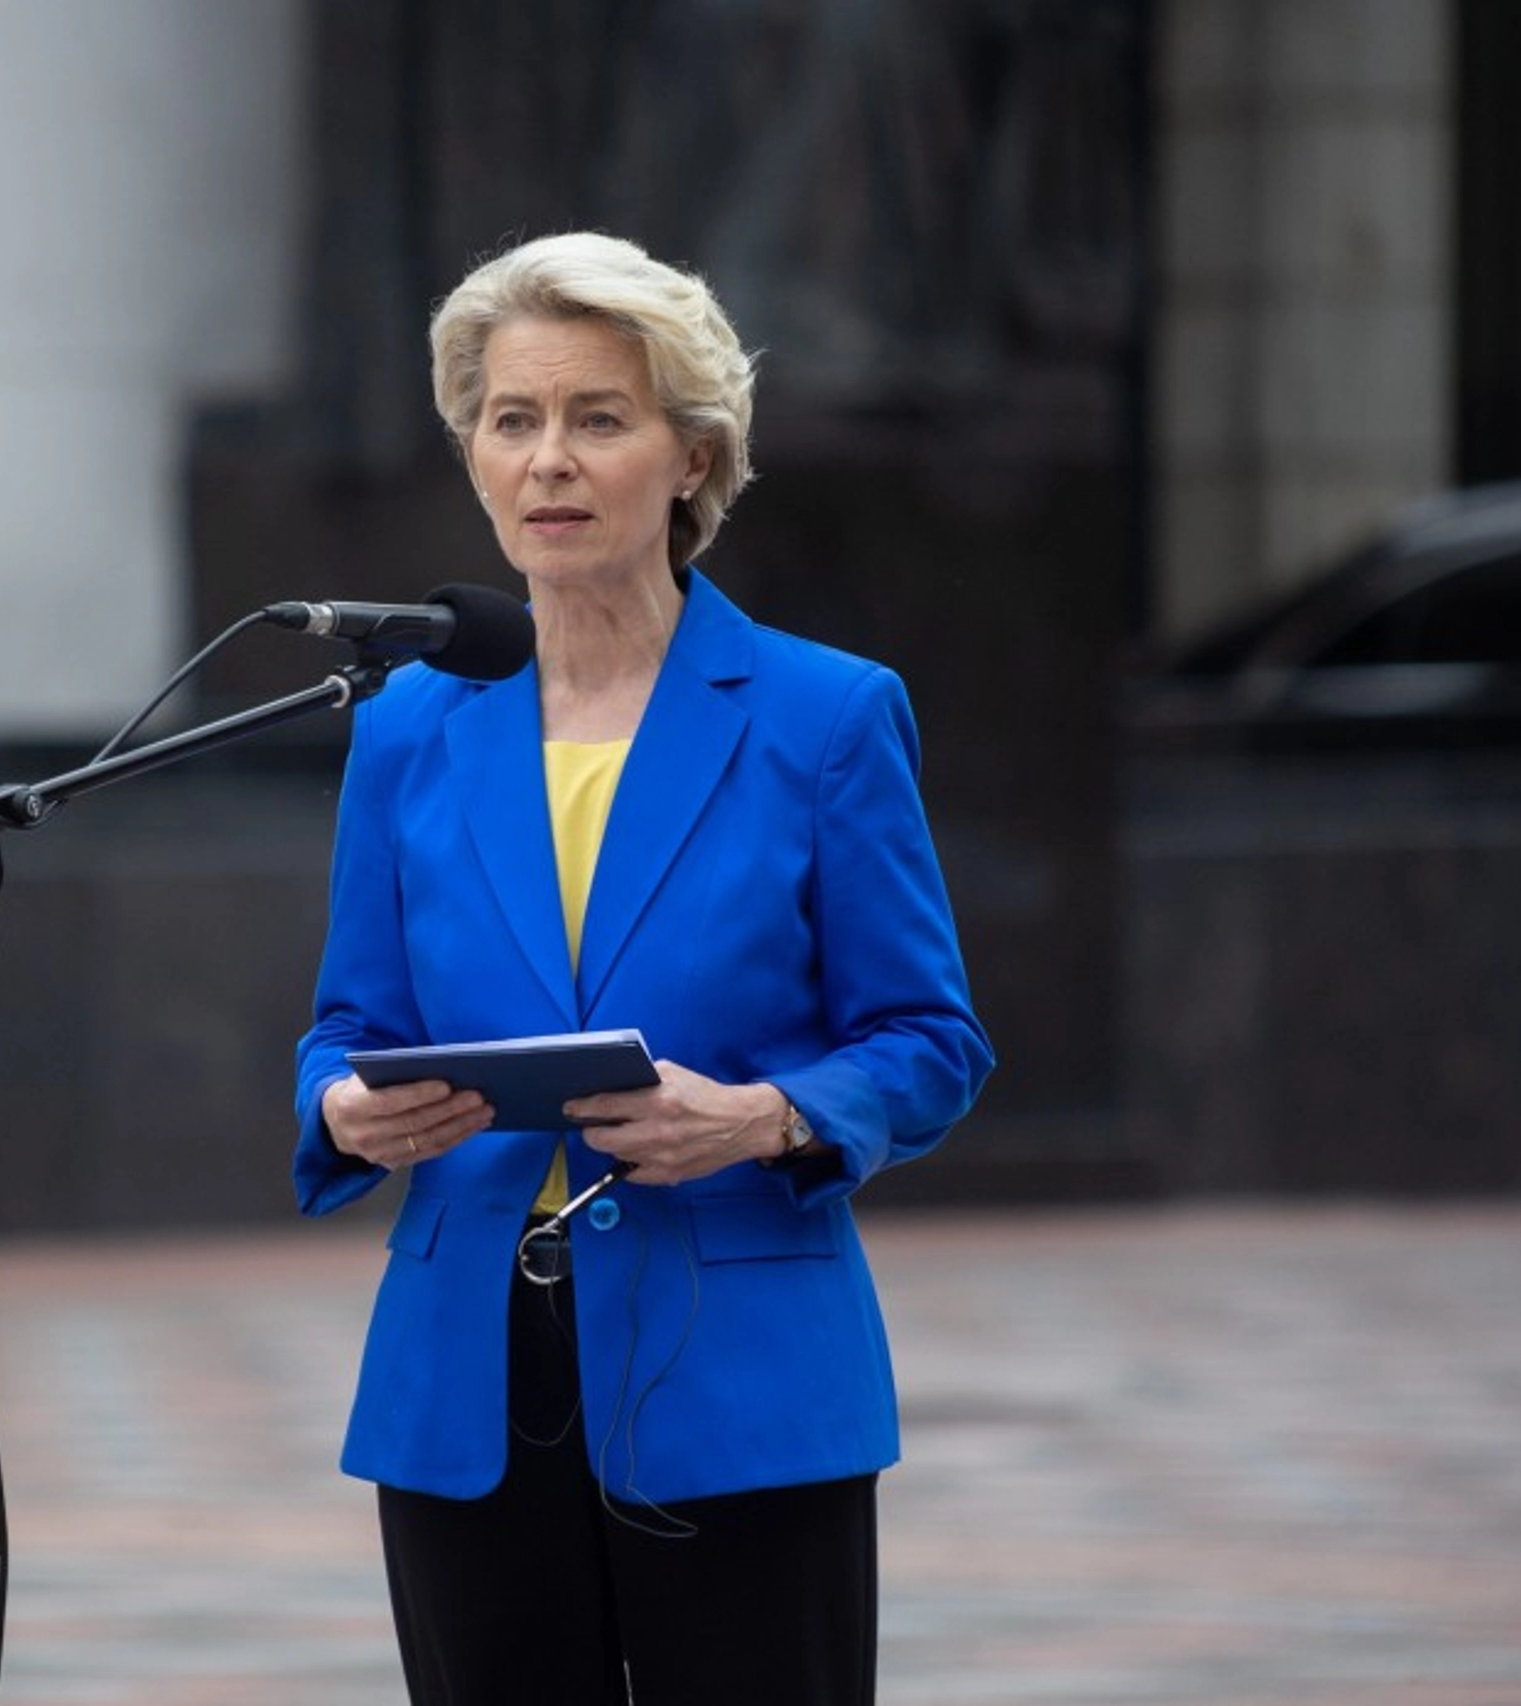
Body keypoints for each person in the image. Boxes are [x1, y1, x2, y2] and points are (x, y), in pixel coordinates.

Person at [291, 231, 996, 1705]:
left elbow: (927, 1038)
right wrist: (345, 1108)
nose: (548, 459)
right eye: (511, 418)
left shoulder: (825, 717)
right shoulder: (409, 723)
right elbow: (349, 1020)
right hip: (467, 1374)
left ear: (692, 456)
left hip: (737, 1367)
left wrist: (758, 1117)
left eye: (597, 418)